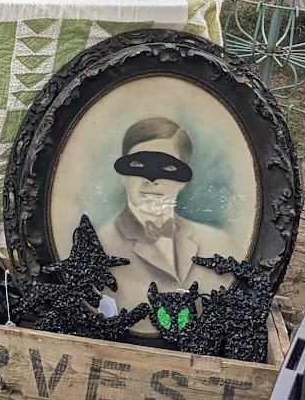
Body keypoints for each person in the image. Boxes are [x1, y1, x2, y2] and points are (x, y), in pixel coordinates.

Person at [95, 117, 239, 309]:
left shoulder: (218, 243)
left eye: (168, 168)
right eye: (137, 165)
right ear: (123, 176)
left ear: (183, 181)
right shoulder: (100, 247)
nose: (151, 180)